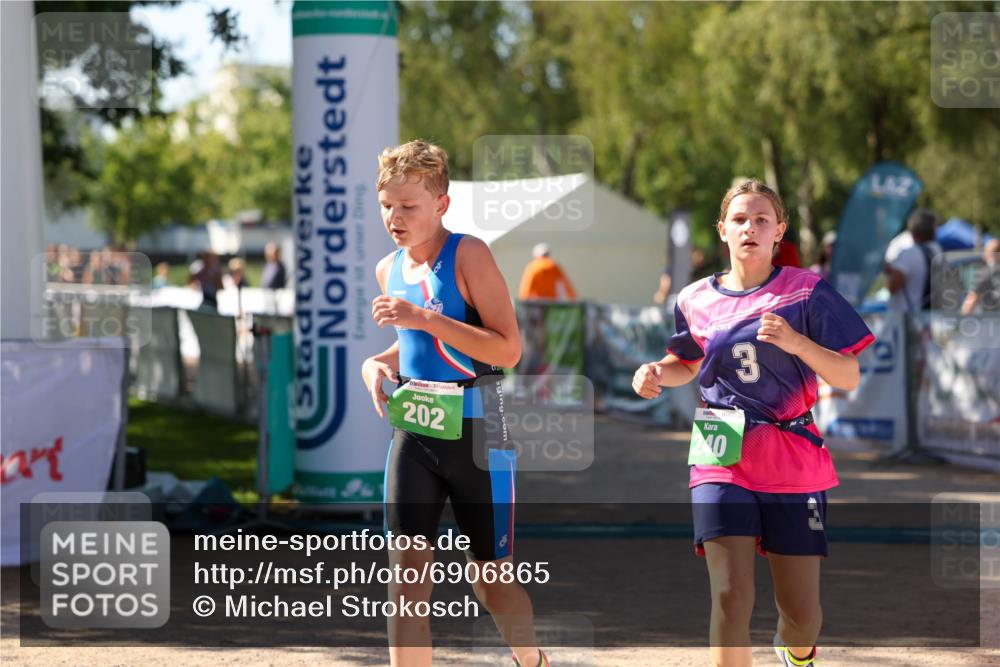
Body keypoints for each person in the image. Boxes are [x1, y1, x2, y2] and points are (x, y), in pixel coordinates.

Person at [631, 179, 874, 667]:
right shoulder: (695, 298)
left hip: (791, 456)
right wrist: (656, 372)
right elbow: (687, 362)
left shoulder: (806, 291)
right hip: (720, 451)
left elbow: (849, 375)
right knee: (730, 597)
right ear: (722, 230)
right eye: (740, 219)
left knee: (802, 615)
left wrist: (798, 343)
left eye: (762, 220)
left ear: (779, 230)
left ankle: (795, 652)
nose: (750, 228)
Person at [361, 140, 548, 667]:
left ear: (441, 205)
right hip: (415, 434)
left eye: (408, 206)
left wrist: (423, 317)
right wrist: (376, 364)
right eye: (386, 205)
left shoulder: (469, 253)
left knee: (490, 584)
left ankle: (532, 660)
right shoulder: (387, 268)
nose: (395, 217)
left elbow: (507, 348)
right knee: (405, 581)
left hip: (478, 435)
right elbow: (418, 349)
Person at [883, 208, 942, 312]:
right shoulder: (936, 250)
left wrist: (889, 272)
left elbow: (892, 286)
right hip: (929, 316)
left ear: (913, 230)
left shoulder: (909, 253)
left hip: (906, 319)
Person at [961, 238, 1000, 314]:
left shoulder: (987, 271)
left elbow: (972, 298)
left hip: (993, 320)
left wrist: (961, 320)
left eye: (985, 251)